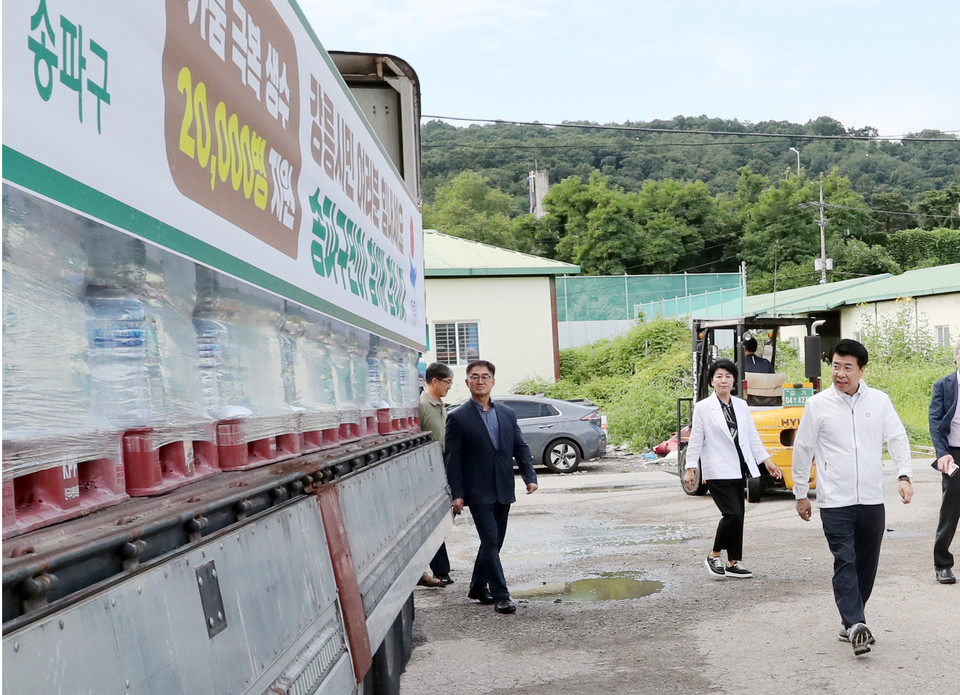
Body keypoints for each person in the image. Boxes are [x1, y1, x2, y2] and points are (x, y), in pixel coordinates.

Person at [792, 338, 913, 656]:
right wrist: (801, 493)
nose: (840, 373)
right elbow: (803, 449)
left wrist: (904, 475)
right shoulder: (817, 405)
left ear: (861, 370)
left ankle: (850, 621)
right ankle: (858, 623)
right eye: (835, 366)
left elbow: (897, 437)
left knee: (866, 566)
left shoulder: (880, 401)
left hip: (872, 499)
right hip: (835, 501)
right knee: (845, 560)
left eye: (848, 367)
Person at [444, 360, 538, 614]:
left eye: (485, 376)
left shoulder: (507, 414)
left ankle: (477, 586)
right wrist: (457, 493)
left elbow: (520, 446)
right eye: (474, 377)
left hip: (503, 486)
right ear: (467, 382)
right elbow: (453, 459)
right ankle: (501, 595)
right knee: (489, 538)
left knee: (495, 542)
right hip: (477, 490)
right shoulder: (458, 417)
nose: (480, 381)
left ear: (493, 381)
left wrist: (530, 476)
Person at [683, 359, 782, 579]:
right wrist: (691, 468)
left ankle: (734, 562)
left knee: (739, 516)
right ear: (711, 381)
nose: (723, 380)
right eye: (719, 376)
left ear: (734, 380)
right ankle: (714, 554)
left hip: (739, 466)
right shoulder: (703, 408)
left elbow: (752, 437)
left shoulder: (740, 405)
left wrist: (767, 461)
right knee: (732, 514)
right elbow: (696, 439)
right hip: (717, 469)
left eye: (728, 376)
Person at [417, 362, 455, 588]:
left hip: (443, 465)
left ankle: (442, 569)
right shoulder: (422, 405)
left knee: (442, 519)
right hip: (428, 468)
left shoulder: (440, 404)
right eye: (447, 382)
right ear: (435, 381)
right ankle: (439, 570)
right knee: (432, 522)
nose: (449, 387)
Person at [930, 340, 960, 585]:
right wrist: (942, 453)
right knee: (950, 510)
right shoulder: (943, 385)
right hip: (953, 453)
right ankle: (942, 564)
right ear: (956, 356)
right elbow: (935, 422)